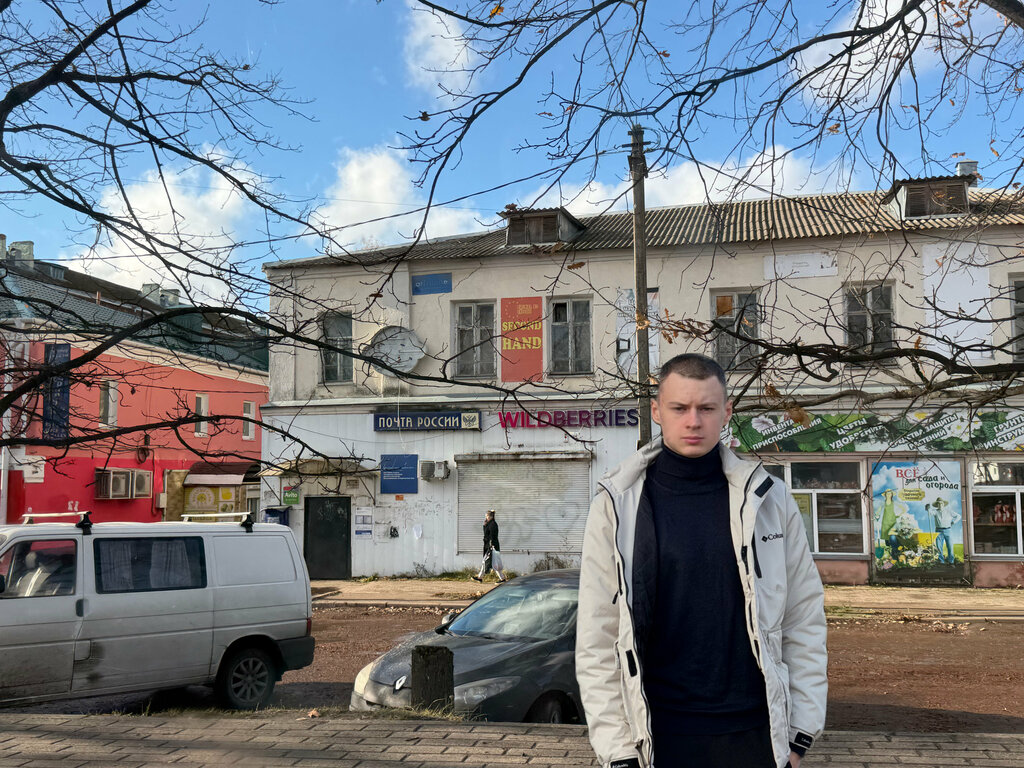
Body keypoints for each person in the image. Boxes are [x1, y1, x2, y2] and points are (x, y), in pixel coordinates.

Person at [576, 353, 827, 768]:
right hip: (657, 736)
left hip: (754, 734)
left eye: (707, 408)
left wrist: (799, 735)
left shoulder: (769, 500)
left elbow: (803, 617)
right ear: (657, 410)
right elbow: (597, 637)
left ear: (726, 412)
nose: (694, 421)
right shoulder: (617, 505)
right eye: (680, 408)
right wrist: (618, 750)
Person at [472, 509, 507, 582]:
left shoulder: (492, 524)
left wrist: (491, 545)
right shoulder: (490, 523)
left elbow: (492, 536)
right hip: (491, 546)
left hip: (492, 546)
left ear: (490, 517)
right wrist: (484, 526)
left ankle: (480, 577)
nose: (486, 518)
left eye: (487, 516)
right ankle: (480, 577)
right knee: (492, 562)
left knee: (489, 562)